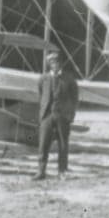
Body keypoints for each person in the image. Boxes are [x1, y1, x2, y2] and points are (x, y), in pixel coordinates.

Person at [33, 50, 79, 180]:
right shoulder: (43, 79)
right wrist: (42, 114)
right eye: (52, 62)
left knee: (63, 144)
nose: (55, 65)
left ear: (61, 63)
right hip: (47, 115)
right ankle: (41, 171)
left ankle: (62, 171)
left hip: (62, 116)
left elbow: (74, 98)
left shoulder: (69, 79)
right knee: (43, 144)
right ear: (49, 64)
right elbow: (41, 95)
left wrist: (70, 115)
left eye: (57, 62)